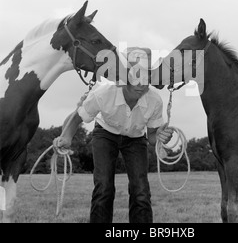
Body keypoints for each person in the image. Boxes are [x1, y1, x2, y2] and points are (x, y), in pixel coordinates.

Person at [57, 47, 173, 223]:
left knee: (140, 190)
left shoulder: (155, 100)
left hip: (135, 138)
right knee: (104, 187)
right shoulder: (104, 92)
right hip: (106, 133)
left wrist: (161, 137)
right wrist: (66, 137)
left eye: (146, 77)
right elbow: (76, 118)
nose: (141, 84)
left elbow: (152, 138)